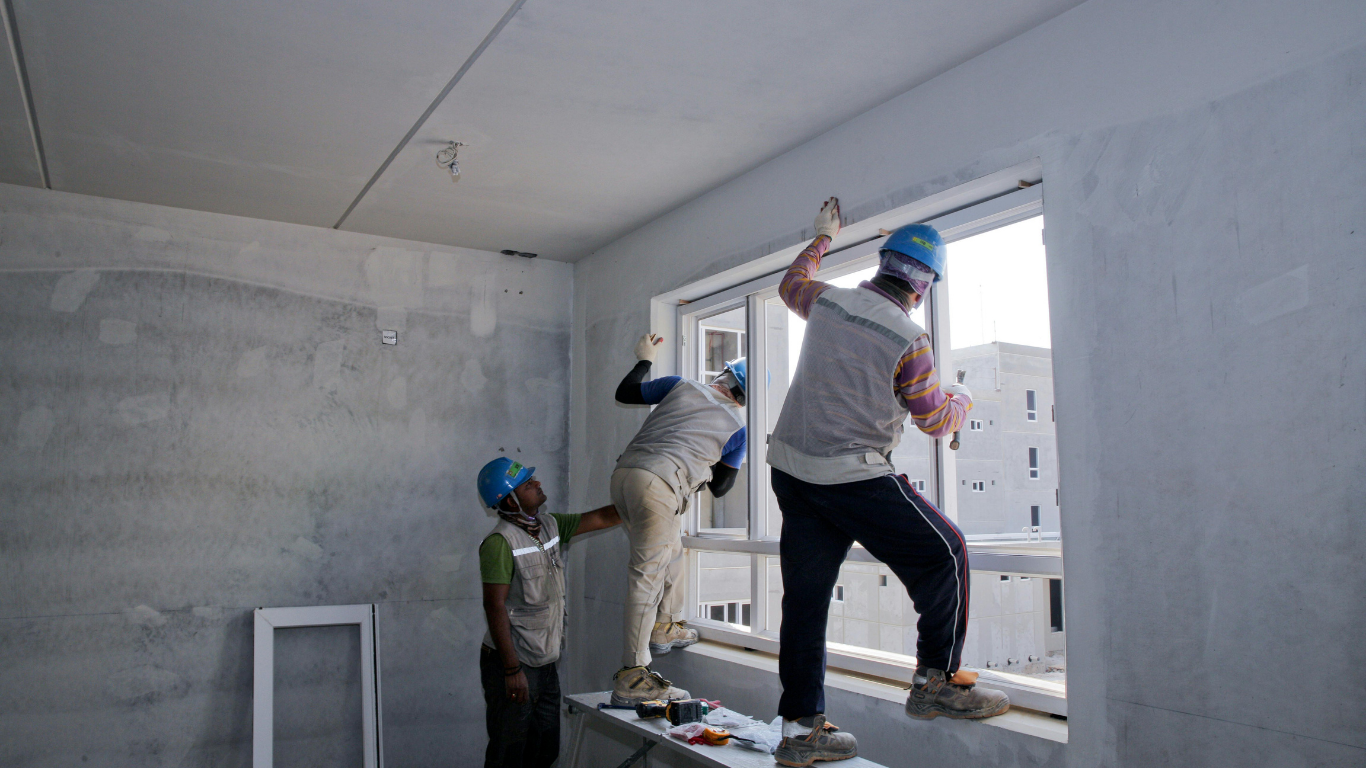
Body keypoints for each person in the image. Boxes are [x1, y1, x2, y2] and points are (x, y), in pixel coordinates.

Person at [767, 198, 1010, 767]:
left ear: (882, 265)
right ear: (923, 288)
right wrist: (962, 400)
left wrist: (822, 236)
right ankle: (935, 682)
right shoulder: (910, 339)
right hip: (849, 474)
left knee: (804, 600)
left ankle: (801, 732)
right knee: (946, 551)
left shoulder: (829, 302)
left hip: (792, 471)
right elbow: (933, 420)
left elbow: (791, 283)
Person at [608, 333, 748, 705]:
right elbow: (720, 488)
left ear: (723, 376)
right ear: (746, 398)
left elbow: (627, 392)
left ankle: (665, 625)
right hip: (660, 484)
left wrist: (644, 358)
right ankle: (632, 675)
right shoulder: (738, 427)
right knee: (647, 577)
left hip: (625, 475)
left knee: (672, 552)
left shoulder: (680, 385)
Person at [477, 457, 621, 768]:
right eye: (528, 484)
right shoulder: (499, 543)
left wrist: (642, 492)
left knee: (544, 749)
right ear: (510, 500)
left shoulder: (550, 526)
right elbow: (494, 605)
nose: (538, 484)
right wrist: (511, 670)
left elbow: (603, 517)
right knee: (508, 753)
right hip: (514, 663)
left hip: (543, 660)